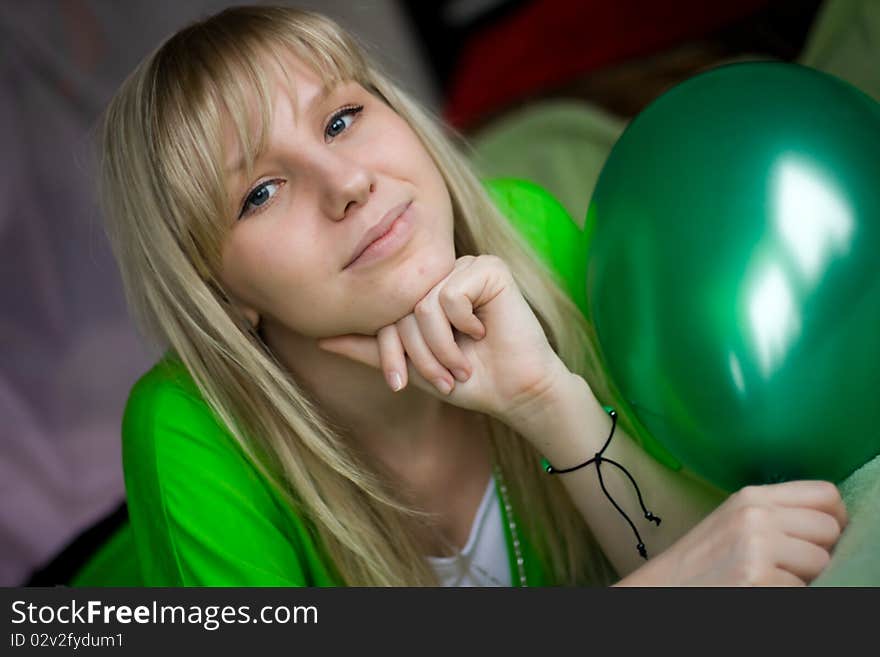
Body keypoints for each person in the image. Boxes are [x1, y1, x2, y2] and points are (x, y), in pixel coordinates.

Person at [97, 5, 847, 587]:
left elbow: (721, 566)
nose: (349, 183)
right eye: (261, 192)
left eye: (342, 119)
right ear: (221, 293)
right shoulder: (187, 435)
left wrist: (546, 398)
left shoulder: (527, 233)